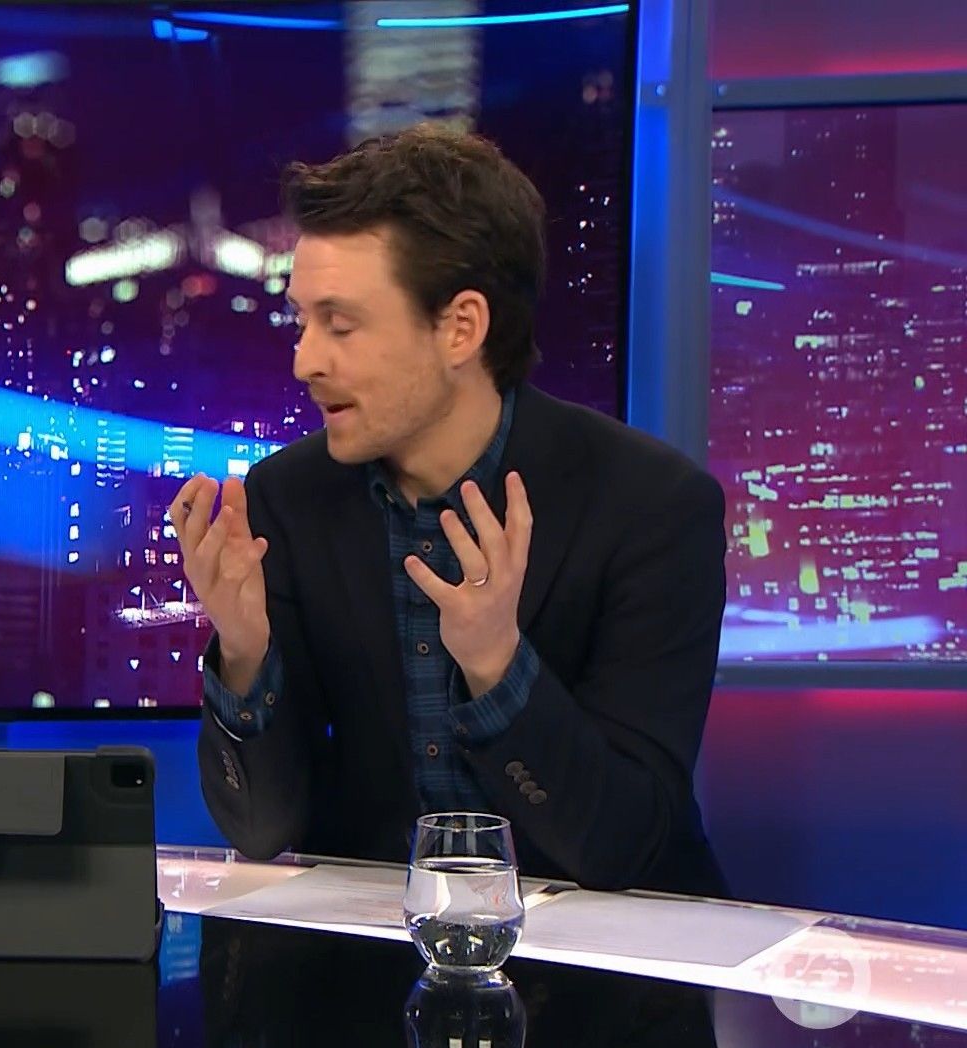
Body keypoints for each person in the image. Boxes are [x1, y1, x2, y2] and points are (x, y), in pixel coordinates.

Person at [176, 123, 728, 895]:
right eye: (301, 321)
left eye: (341, 325)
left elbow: (627, 845)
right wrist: (243, 653)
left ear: (461, 328)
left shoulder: (652, 507)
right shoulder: (286, 501)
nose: (305, 360)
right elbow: (260, 832)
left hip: (600, 955)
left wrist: (497, 663)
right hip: (370, 951)